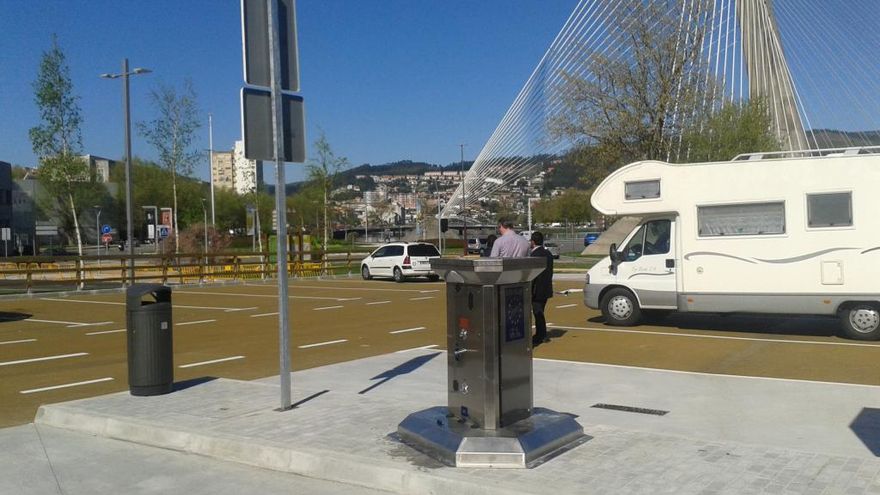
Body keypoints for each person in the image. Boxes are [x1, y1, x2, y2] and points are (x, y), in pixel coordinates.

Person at [529, 231, 554, 347]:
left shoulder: (534, 256)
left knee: (537, 312)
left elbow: (533, 275)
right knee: (540, 311)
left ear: (532, 242)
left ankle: (541, 335)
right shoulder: (548, 253)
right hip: (546, 287)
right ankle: (541, 333)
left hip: (536, 289)